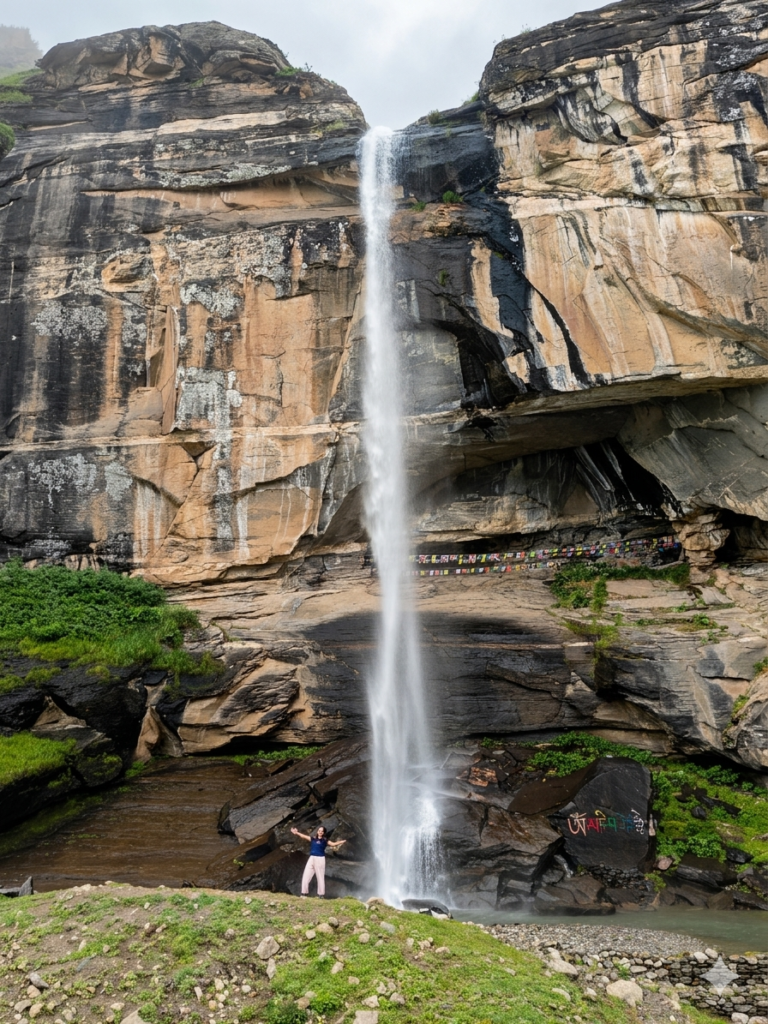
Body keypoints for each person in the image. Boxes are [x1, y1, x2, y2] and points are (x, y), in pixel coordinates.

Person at [290, 824, 346, 898]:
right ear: (317, 831)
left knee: (320, 877)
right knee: (306, 875)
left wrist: (342, 841)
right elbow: (303, 836)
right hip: (312, 858)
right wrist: (296, 833)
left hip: (320, 859)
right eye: (319, 831)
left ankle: (321, 894)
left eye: (322, 831)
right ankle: (304, 893)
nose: (320, 832)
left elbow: (333, 844)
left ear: (323, 833)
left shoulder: (325, 840)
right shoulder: (313, 839)